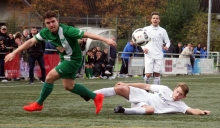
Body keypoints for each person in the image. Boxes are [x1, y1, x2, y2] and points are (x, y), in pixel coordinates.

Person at [4, 10, 116, 114]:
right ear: (45, 24)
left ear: (57, 21)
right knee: (69, 86)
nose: (51, 25)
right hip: (64, 59)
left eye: (53, 21)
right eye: (48, 23)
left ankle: (38, 104)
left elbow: (87, 34)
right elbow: (30, 42)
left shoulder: (67, 30)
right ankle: (96, 97)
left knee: (49, 77)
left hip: (73, 60)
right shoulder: (45, 32)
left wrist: (105, 40)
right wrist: (15, 52)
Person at [94, 82, 211, 115]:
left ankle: (122, 110)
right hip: (143, 96)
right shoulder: (165, 89)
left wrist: (202, 112)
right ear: (175, 89)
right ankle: (91, 94)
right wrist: (127, 84)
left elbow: (192, 110)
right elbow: (145, 86)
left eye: (180, 94)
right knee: (121, 89)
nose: (177, 95)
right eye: (177, 92)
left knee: (151, 110)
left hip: (144, 107)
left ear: (184, 97)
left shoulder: (181, 105)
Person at [141, 12, 170, 85]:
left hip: (158, 55)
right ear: (151, 19)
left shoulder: (163, 31)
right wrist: (144, 48)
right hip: (149, 55)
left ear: (159, 20)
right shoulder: (145, 29)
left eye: (157, 18)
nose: (155, 20)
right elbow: (141, 41)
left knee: (157, 74)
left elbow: (168, 42)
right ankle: (146, 90)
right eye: (153, 18)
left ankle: (156, 92)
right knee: (148, 74)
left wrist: (167, 46)